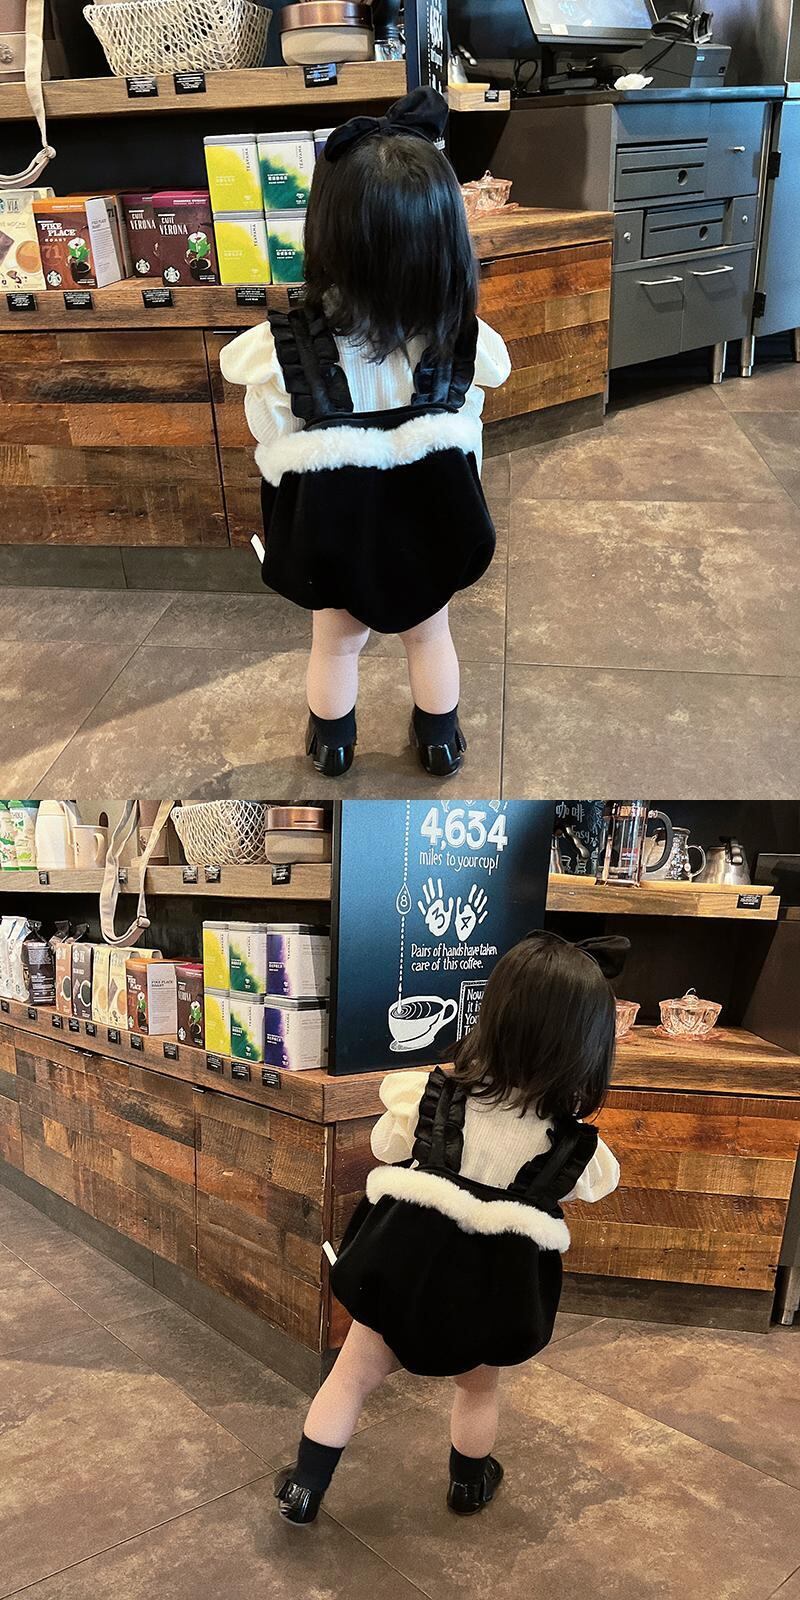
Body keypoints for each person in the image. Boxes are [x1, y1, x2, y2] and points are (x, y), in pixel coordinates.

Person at [274, 930, 627, 1525]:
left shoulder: (426, 1096)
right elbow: (584, 1189)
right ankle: (468, 1484)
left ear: (493, 1016)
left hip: (404, 1277)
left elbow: (385, 1148)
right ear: (588, 1047)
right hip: (489, 1297)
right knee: (479, 1389)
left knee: (350, 1378)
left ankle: (304, 1489)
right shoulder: (578, 1150)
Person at [220, 87, 511, 781]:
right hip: (430, 530)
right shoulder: (469, 342)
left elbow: (270, 434)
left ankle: (333, 744)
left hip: (335, 538)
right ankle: (440, 740)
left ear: (326, 232)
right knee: (430, 636)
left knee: (335, 644)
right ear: (446, 241)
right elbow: (477, 411)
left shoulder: (276, 351)